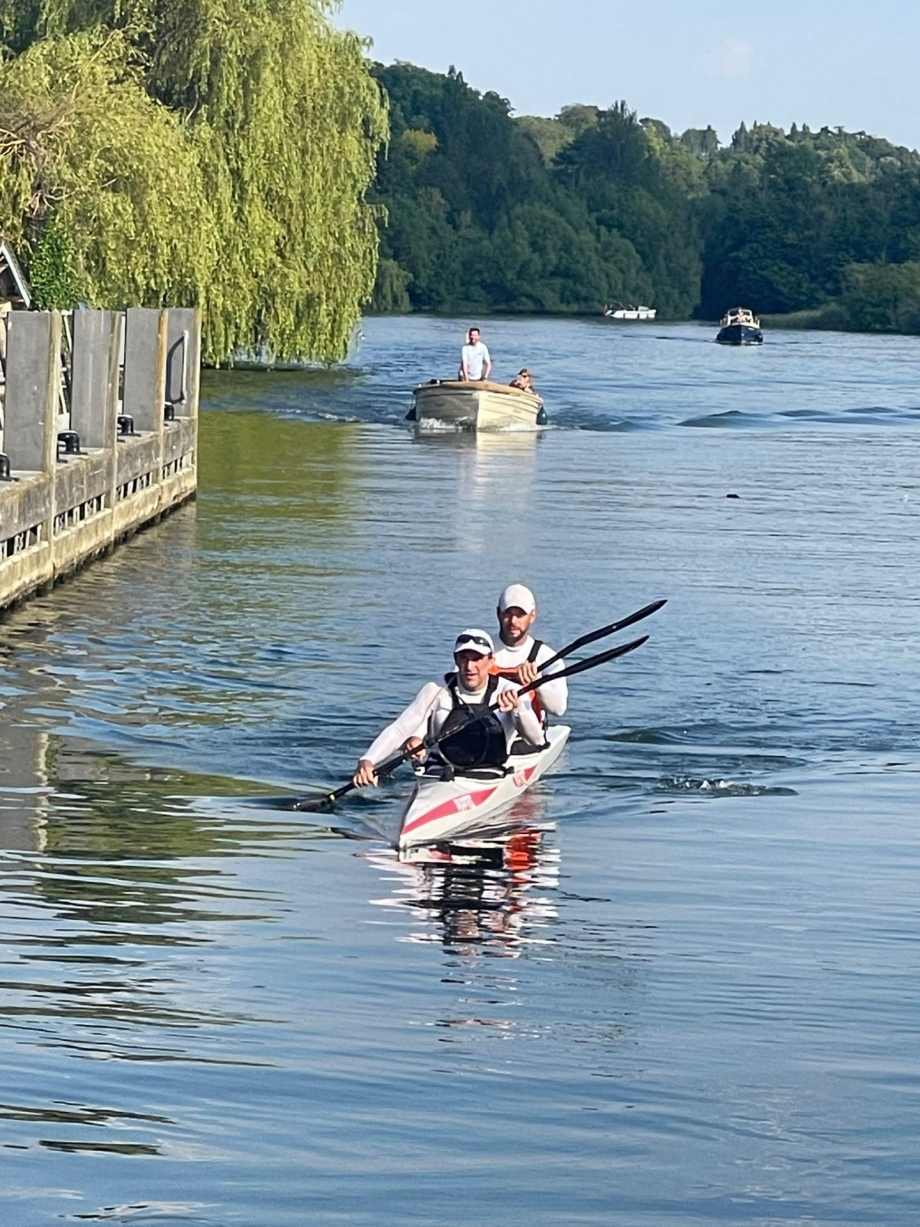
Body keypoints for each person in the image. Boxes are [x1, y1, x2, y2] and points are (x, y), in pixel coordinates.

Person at [353, 629, 543, 788]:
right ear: (456, 659)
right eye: (463, 657)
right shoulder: (436, 690)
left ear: (490, 661)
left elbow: (536, 740)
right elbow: (400, 729)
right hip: (439, 774)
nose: (469, 666)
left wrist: (519, 709)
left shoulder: (510, 691)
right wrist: (368, 760)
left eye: (477, 658)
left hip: (489, 777)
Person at [493, 584, 568, 726]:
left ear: (532, 616)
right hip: (486, 734)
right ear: (498, 613)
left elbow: (559, 709)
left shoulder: (547, 657)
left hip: (525, 741)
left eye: (520, 614)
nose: (513, 621)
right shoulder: (481, 650)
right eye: (508, 613)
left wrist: (537, 683)